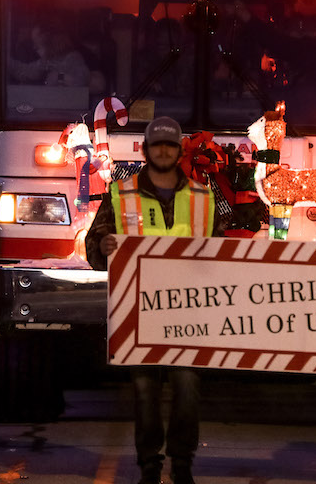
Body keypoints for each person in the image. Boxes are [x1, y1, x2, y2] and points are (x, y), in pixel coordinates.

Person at [85, 116, 217, 484]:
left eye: (170, 145)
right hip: (138, 314)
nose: (163, 150)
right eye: (156, 144)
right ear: (145, 150)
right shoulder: (120, 193)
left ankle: (183, 464)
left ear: (178, 151)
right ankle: (149, 466)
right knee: (144, 392)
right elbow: (94, 247)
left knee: (187, 389)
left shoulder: (203, 197)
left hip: (190, 314)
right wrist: (104, 246)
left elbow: (222, 252)